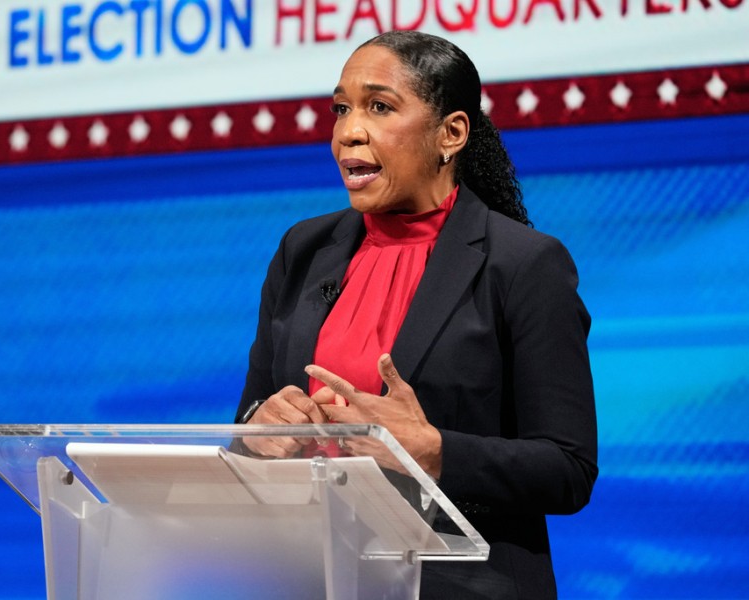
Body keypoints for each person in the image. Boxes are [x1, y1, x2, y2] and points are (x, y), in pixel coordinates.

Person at [234, 30, 597, 599]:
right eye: (341, 109)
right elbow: (248, 419)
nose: (349, 132)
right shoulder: (303, 250)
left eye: (379, 107)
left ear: (451, 133)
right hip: (310, 578)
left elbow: (568, 469)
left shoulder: (523, 265)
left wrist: (433, 450)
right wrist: (259, 429)